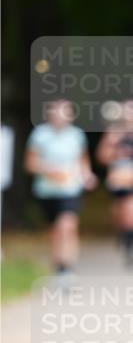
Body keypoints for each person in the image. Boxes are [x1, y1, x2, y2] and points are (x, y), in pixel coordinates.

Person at [24, 99, 97, 279]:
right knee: (55, 230)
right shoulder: (40, 135)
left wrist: (87, 176)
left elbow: (83, 161)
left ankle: (68, 266)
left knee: (67, 225)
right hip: (47, 191)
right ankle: (58, 265)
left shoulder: (76, 135)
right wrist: (48, 170)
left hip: (70, 188)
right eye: (56, 112)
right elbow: (30, 164)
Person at [96, 100, 133, 267]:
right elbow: (102, 157)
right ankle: (124, 236)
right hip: (118, 181)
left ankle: (132, 249)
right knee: (122, 216)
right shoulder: (114, 133)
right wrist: (114, 149)